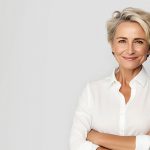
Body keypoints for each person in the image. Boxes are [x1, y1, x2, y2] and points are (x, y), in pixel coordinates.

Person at [70, 7, 150, 150]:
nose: (130, 50)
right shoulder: (92, 91)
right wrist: (139, 143)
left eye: (138, 41)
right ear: (112, 45)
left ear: (148, 48)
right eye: (122, 41)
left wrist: (98, 137)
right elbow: (76, 144)